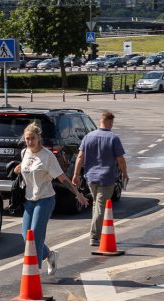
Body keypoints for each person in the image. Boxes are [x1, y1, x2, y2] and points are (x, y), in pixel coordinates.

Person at [15, 123, 89, 276]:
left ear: (39, 138)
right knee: (25, 236)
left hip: (45, 200)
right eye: (27, 139)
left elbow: (63, 178)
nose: (29, 142)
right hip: (29, 200)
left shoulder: (48, 156)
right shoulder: (25, 152)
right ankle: (50, 255)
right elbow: (25, 166)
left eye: (32, 139)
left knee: (34, 237)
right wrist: (18, 168)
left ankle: (33, 275)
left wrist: (78, 194)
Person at [72, 111, 129, 246]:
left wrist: (75, 174)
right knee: (100, 206)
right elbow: (120, 159)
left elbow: (80, 157)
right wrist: (125, 173)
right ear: (109, 122)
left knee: (96, 205)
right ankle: (94, 236)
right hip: (107, 178)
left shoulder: (88, 137)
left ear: (100, 121)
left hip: (91, 177)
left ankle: (98, 232)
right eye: (112, 123)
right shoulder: (113, 138)